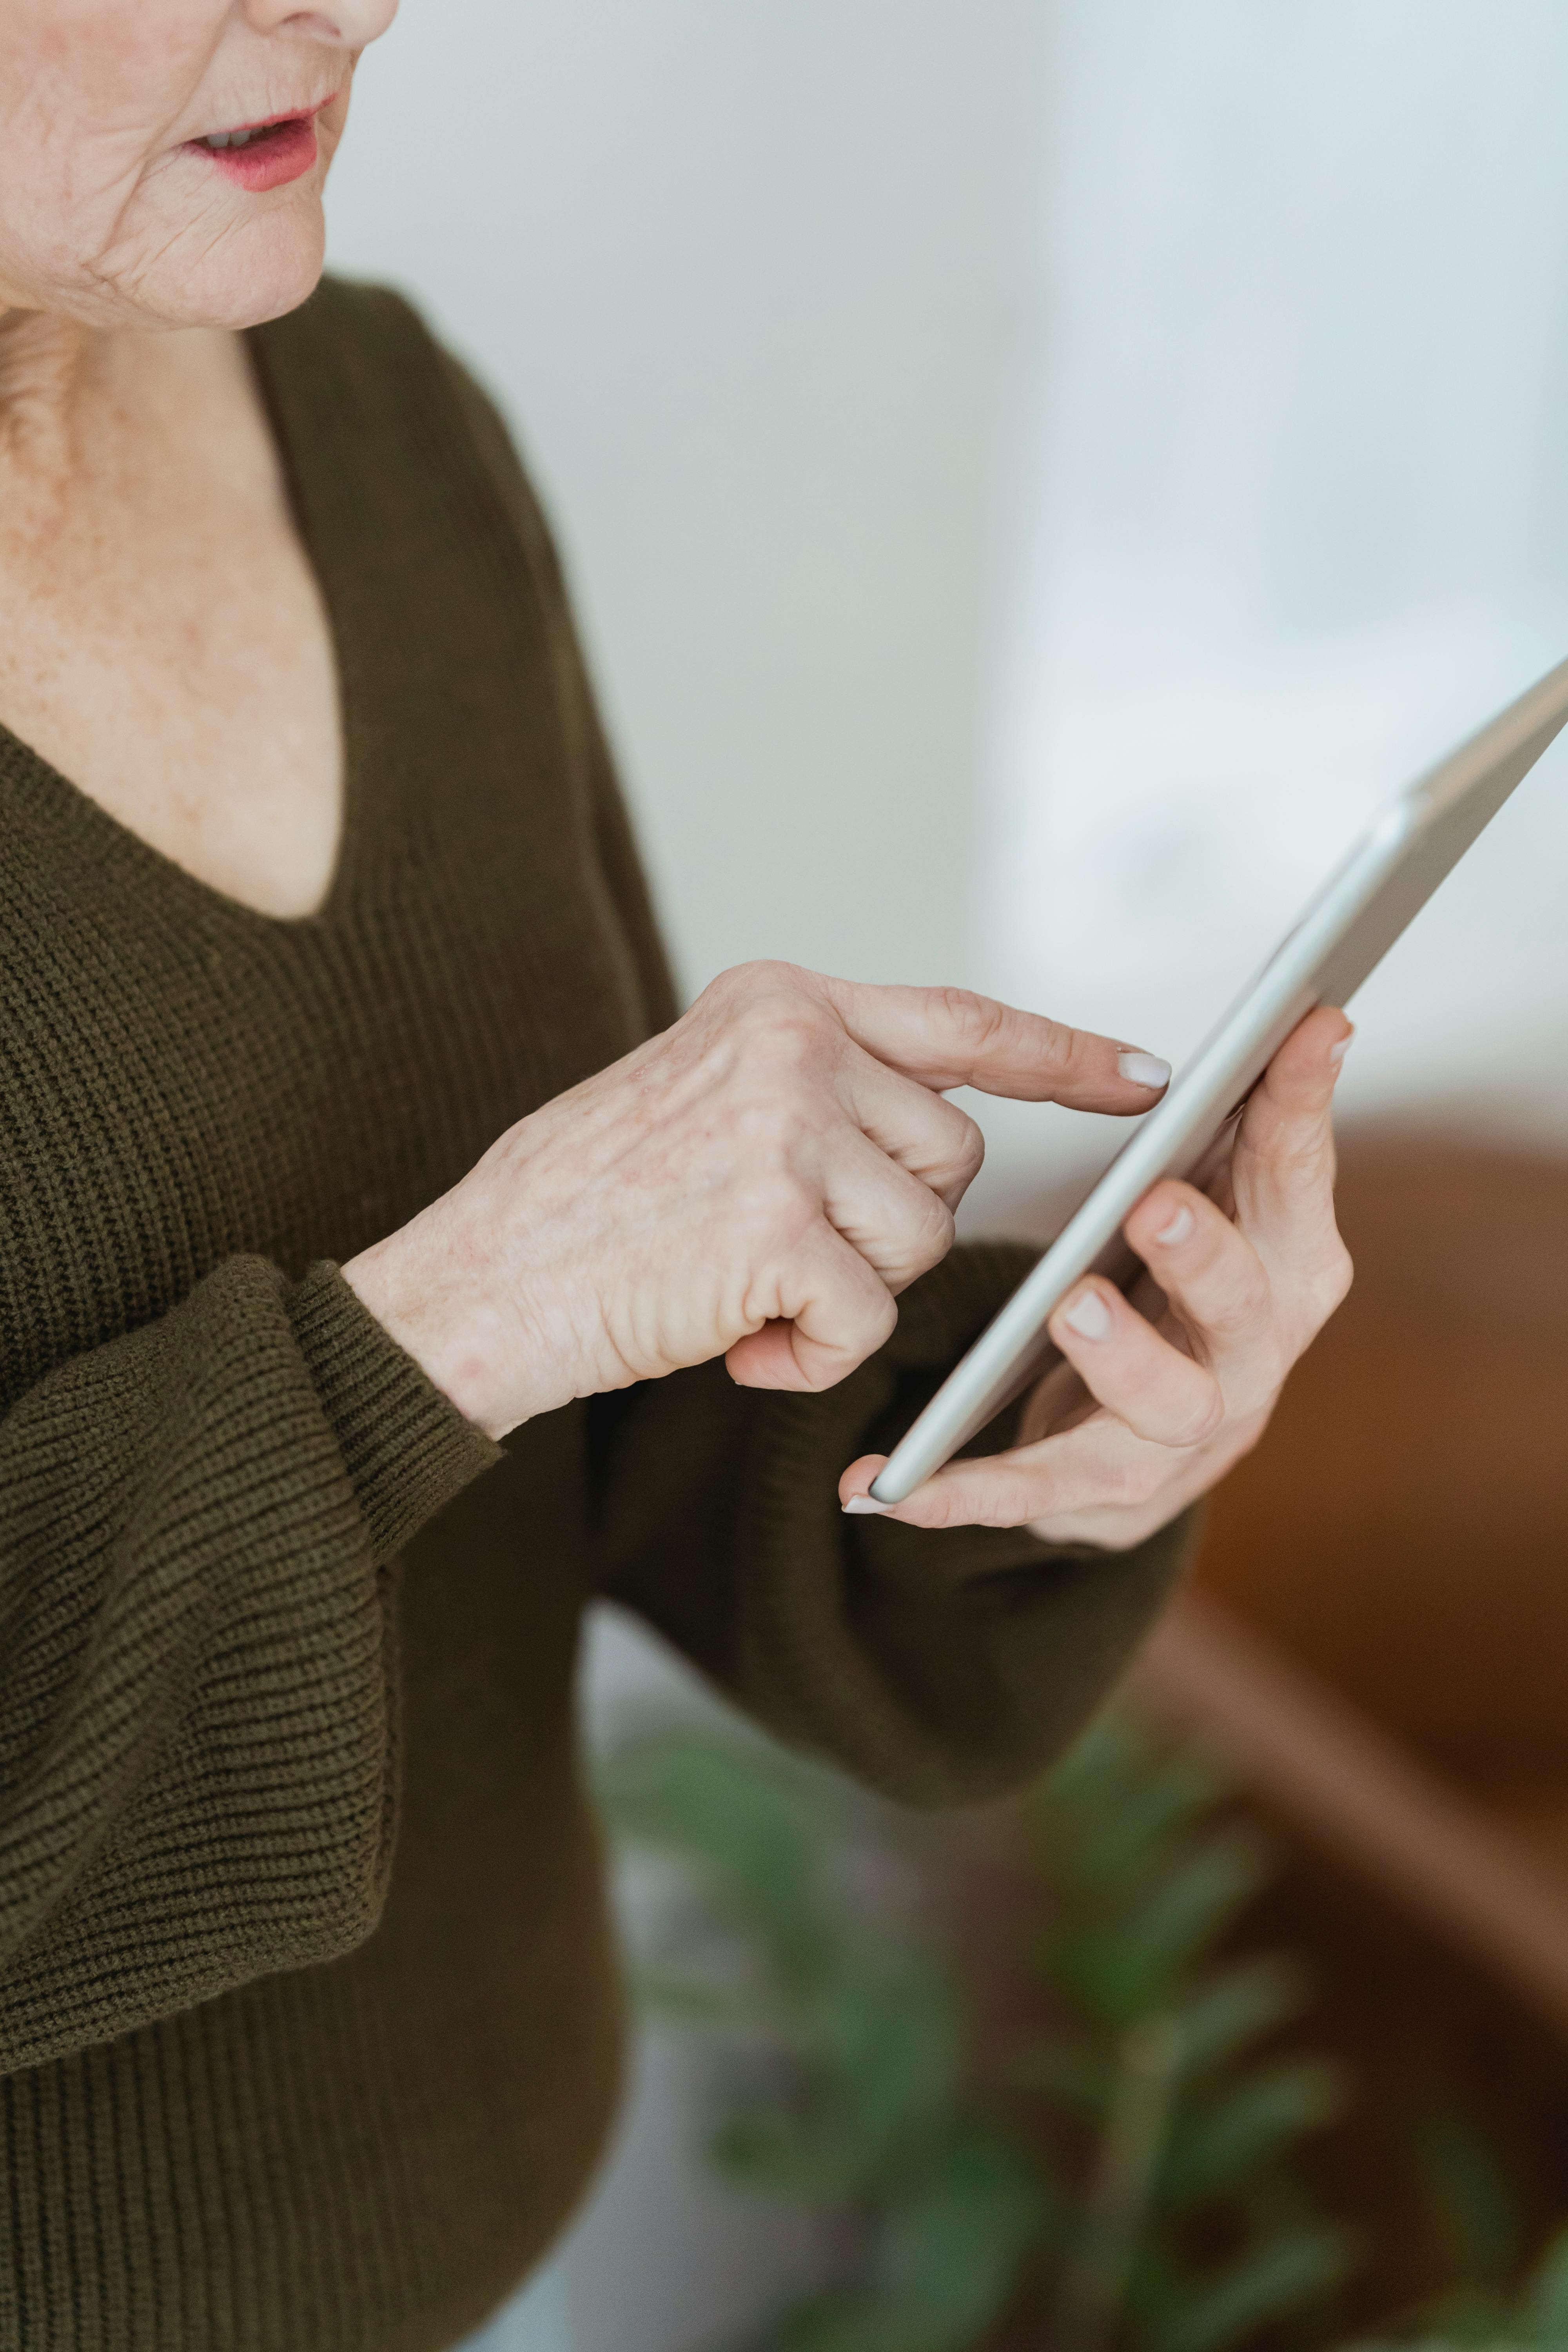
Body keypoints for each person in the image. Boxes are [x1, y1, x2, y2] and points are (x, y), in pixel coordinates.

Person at [0, 4, 1354, 2346]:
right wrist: (454, 1314)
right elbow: (473, 1330)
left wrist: (1049, 1413)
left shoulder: (388, 426)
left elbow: (601, 1428)